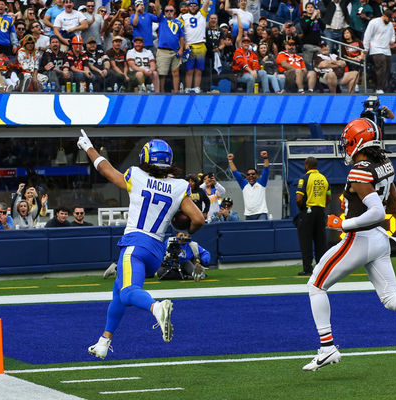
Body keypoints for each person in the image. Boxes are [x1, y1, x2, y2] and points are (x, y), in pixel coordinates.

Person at [303, 117, 396, 371]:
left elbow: (376, 212)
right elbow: (394, 205)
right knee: (390, 297)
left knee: (316, 285)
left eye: (348, 142)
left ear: (357, 141)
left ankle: (327, 347)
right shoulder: (384, 163)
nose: (346, 146)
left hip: (360, 238)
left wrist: (341, 224)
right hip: (379, 239)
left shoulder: (360, 169)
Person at [76, 131, 205, 359]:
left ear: (145, 158)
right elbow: (198, 220)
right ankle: (104, 341)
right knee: (118, 292)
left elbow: (107, 171)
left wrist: (88, 147)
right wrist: (186, 231)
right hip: (156, 251)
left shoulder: (136, 175)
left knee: (127, 292)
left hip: (136, 244)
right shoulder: (179, 186)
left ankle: (157, 308)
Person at [294, 157, 330, 276]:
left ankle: (308, 269)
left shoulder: (304, 178)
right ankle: (322, 269)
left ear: (306, 165)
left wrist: (302, 209)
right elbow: (329, 198)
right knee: (321, 242)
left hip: (308, 212)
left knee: (306, 241)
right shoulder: (324, 178)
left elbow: (299, 199)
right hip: (320, 212)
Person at [227, 151, 270, 220]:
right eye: (248, 174)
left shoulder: (261, 183)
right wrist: (230, 160)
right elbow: (235, 173)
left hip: (261, 214)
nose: (251, 176)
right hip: (248, 215)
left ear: (257, 175)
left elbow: (266, 170)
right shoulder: (244, 184)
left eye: (253, 174)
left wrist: (265, 158)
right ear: (246, 176)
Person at [154, 0, 185, 93]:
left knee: (175, 72)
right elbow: (157, 7)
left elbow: (182, 37)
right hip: (163, 51)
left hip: (175, 51)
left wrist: (181, 49)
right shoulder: (162, 19)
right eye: (166, 11)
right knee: (162, 74)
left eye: (171, 10)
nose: (169, 12)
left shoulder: (179, 22)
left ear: (174, 11)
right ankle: (161, 93)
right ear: (164, 12)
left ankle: (176, 92)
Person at [180, 0, 211, 93]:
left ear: (198, 7)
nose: (193, 7)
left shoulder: (202, 14)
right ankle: (188, 88)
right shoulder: (183, 17)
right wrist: (184, 44)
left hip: (201, 45)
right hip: (189, 46)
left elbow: (206, 3)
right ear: (188, 7)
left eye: (195, 5)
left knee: (199, 69)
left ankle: (196, 87)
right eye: (191, 5)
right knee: (189, 69)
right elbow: (180, 32)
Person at [363, 9, 395, 94]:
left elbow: (393, 35)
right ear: (384, 16)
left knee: (388, 68)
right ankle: (378, 87)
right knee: (381, 66)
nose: (389, 21)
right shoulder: (374, 22)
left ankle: (385, 87)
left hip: (387, 49)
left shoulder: (390, 24)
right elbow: (367, 35)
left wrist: (392, 40)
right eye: (388, 19)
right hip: (376, 48)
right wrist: (366, 48)